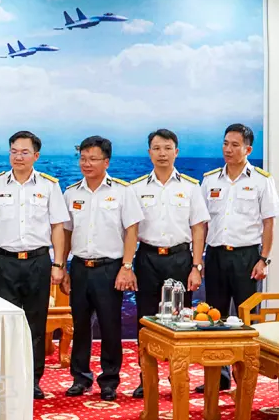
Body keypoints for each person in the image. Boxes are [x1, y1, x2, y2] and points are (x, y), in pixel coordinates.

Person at [0, 131, 69, 399]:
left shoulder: (49, 186)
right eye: (13, 151)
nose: (18, 157)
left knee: (35, 323)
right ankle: (5, 378)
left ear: (36, 155)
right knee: (5, 324)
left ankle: (33, 380)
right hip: (5, 262)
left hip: (38, 262)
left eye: (24, 152)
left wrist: (58, 264)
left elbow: (58, 227)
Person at [196, 123, 279, 393]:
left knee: (246, 320)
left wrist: (264, 259)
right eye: (225, 143)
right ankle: (217, 377)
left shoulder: (261, 180)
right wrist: (198, 260)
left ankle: (244, 377)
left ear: (248, 149)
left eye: (234, 145)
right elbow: (201, 224)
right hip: (216, 256)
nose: (228, 149)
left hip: (247, 258)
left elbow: (269, 223)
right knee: (213, 318)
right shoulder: (210, 180)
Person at [129, 129, 210, 398]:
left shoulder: (190, 187)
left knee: (180, 321)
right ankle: (146, 378)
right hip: (147, 258)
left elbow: (198, 229)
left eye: (167, 148)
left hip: (180, 258)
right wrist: (127, 265)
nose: (162, 153)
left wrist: (196, 266)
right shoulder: (136, 188)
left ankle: (178, 377)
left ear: (176, 152)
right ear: (149, 152)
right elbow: (131, 230)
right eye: (156, 148)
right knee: (146, 321)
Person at [62, 136, 144, 402]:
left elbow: (132, 231)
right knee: (80, 325)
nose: (86, 164)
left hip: (110, 268)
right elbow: (66, 233)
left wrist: (127, 266)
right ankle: (80, 378)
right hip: (79, 267)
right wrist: (62, 267)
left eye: (93, 159)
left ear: (106, 162)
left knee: (110, 326)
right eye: (83, 158)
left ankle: (109, 380)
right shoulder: (71, 193)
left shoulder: (122, 191)